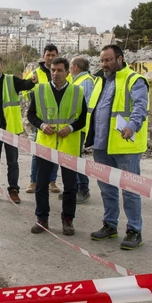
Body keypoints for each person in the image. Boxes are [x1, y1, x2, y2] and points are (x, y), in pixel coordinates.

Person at [86, 44, 148, 250]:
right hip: (101, 145)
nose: (104, 64)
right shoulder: (100, 81)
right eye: (102, 60)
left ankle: (134, 231)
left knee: (130, 190)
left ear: (120, 59)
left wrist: (132, 126)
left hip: (124, 146)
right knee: (106, 189)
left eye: (108, 60)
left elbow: (140, 107)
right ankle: (110, 225)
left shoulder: (134, 80)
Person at [26, 57, 87, 236]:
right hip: (46, 145)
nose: (56, 74)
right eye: (53, 70)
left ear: (67, 72)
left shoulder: (77, 92)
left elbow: (83, 118)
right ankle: (42, 218)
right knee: (41, 184)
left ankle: (67, 220)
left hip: (69, 145)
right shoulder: (40, 91)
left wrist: (70, 128)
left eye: (60, 70)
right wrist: (41, 125)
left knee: (70, 186)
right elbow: (31, 115)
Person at [0, 54, 36, 204]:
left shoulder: (11, 80)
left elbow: (26, 85)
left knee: (13, 162)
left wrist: (32, 81)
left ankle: (14, 190)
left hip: (10, 129)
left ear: (2, 67)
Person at [25, 44, 60, 194]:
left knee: (56, 151)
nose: (51, 58)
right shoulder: (35, 73)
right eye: (48, 55)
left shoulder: (63, 72)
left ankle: (52, 181)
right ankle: (34, 181)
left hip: (58, 119)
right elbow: (26, 91)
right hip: (39, 119)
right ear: (43, 55)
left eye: (53, 55)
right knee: (37, 152)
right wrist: (36, 98)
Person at [59, 57, 94, 204]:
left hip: (79, 127)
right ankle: (72, 188)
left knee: (76, 158)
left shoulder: (85, 81)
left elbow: (83, 106)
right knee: (70, 157)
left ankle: (83, 189)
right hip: (72, 126)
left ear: (76, 67)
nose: (69, 69)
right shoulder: (77, 81)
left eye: (71, 66)